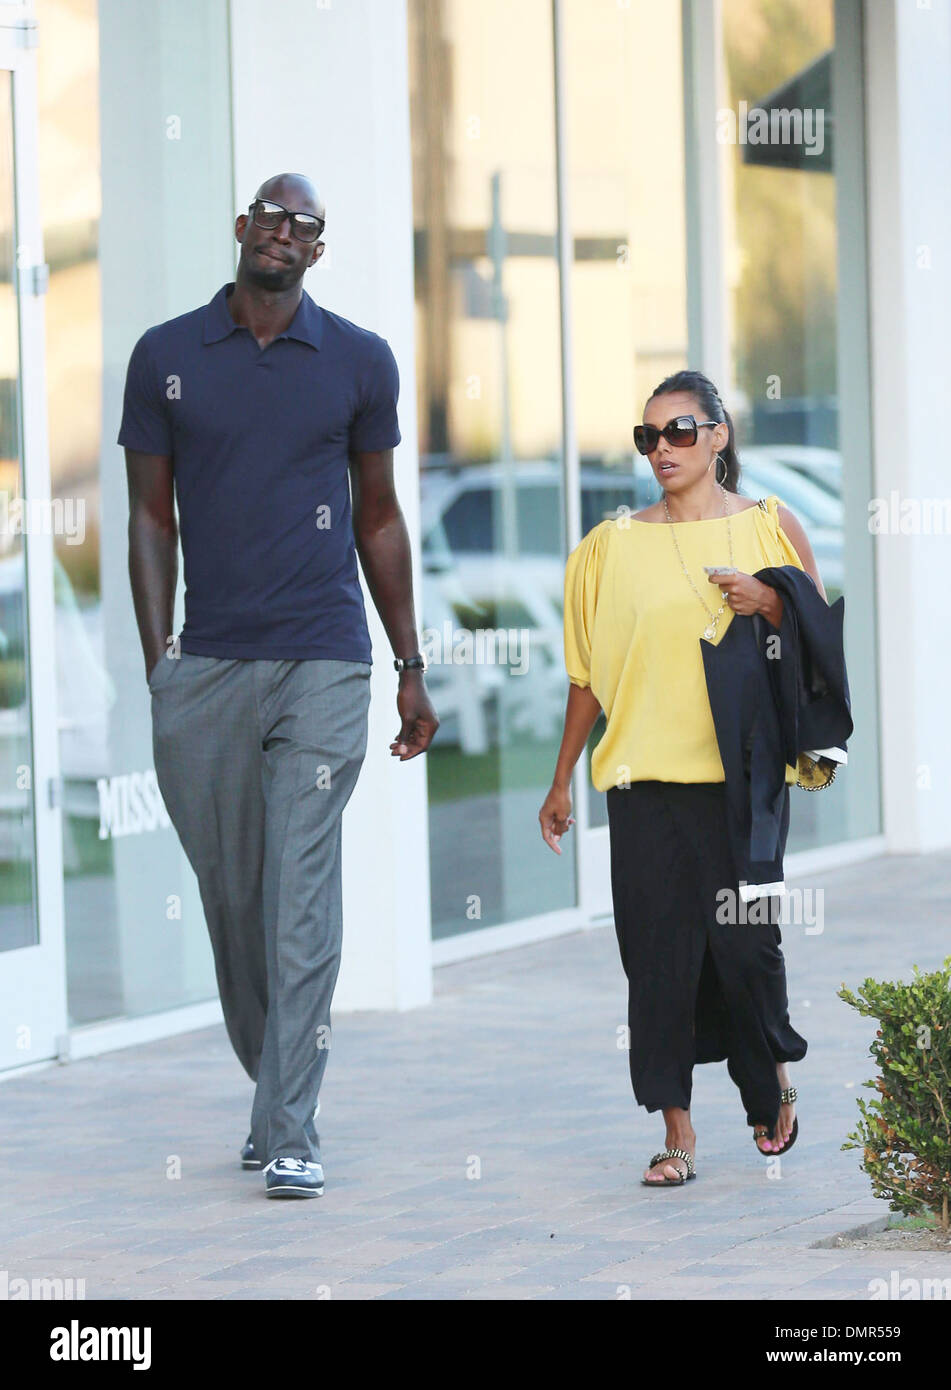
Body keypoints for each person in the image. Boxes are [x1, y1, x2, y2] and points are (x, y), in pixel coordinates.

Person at [120, 173, 438, 1198]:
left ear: (316, 249)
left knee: (303, 890)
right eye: (268, 214)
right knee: (237, 895)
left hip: (324, 657)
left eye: (302, 223)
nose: (281, 231)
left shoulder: (358, 360)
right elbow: (150, 518)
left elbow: (378, 516)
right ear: (243, 230)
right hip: (207, 664)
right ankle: (273, 1086)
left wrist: (410, 665)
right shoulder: (166, 357)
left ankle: (294, 1124)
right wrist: (159, 662)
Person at [539, 369, 823, 1187]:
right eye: (648, 436)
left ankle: (769, 1079)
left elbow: (815, 639)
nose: (661, 449)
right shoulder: (607, 549)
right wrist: (561, 782)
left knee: (744, 948)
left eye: (679, 432)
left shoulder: (771, 528)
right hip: (641, 784)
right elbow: (585, 676)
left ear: (718, 436)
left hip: (742, 784)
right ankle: (675, 1134)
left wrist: (769, 604)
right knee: (657, 963)